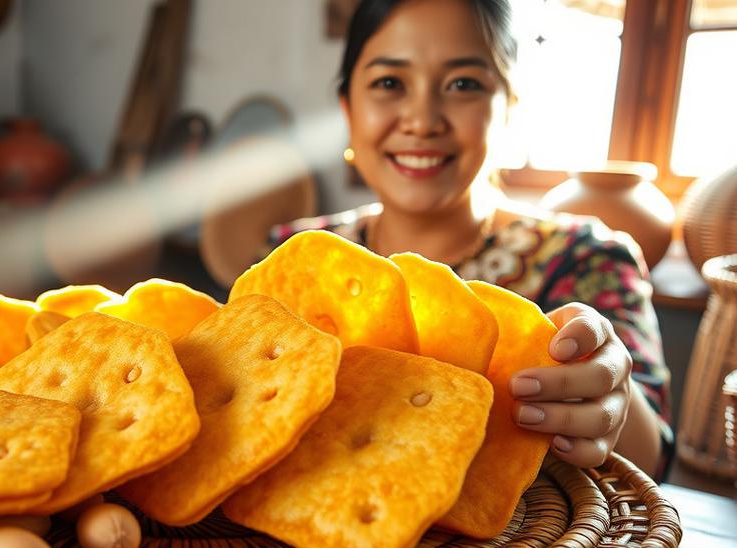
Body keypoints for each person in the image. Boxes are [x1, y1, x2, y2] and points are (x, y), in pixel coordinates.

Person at [268, 0, 672, 478]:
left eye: (463, 84)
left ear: (508, 110)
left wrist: (609, 395)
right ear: (348, 111)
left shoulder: (585, 258)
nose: (422, 120)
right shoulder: (297, 255)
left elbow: (652, 461)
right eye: (389, 83)